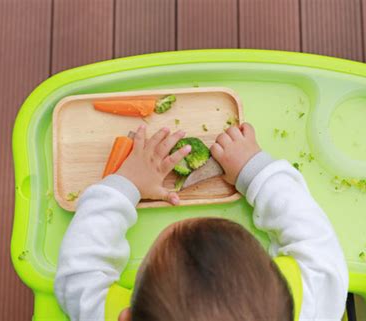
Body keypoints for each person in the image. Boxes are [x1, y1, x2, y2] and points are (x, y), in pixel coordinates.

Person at [55, 123, 348, 321]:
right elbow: (315, 239)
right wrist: (253, 169)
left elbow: (80, 273)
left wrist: (125, 185)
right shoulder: (311, 304)